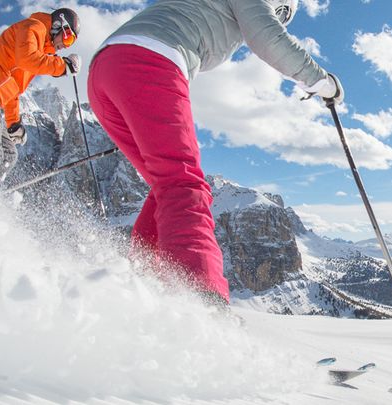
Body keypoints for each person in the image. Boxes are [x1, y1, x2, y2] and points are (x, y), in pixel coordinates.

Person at [88, 0, 343, 304]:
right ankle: (199, 300)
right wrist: (322, 82)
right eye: (284, 12)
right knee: (183, 185)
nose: (281, 18)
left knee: (165, 186)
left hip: (105, 70)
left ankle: (144, 284)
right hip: (150, 59)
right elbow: (266, 35)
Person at [0, 8, 82, 184]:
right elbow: (27, 58)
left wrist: (14, 124)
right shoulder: (33, 27)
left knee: (8, 154)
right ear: (58, 25)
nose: (66, 45)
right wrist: (61, 66)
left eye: (71, 43)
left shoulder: (40, 53)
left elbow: (13, 90)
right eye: (68, 37)